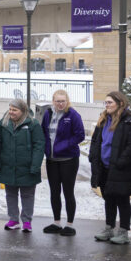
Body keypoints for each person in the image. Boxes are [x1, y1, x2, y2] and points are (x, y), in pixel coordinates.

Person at [89, 91, 131, 245]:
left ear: (120, 103)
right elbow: (95, 141)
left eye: (110, 102)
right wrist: (93, 156)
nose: (107, 105)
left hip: (121, 168)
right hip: (104, 167)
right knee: (108, 199)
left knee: (122, 200)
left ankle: (123, 232)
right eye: (105, 103)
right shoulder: (104, 119)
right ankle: (109, 228)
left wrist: (120, 162)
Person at [0, 99, 43, 232]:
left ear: (23, 111)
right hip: (8, 166)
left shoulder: (33, 124)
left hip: (27, 166)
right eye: (10, 109)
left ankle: (27, 221)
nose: (11, 112)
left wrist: (35, 165)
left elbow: (39, 146)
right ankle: (13, 219)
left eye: (14, 110)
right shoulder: (4, 123)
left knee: (27, 195)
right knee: (11, 194)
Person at [40, 90, 86, 236]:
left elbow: (80, 135)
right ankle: (56, 222)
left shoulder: (73, 115)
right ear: (53, 101)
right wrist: (46, 149)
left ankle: (70, 224)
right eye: (57, 101)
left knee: (68, 192)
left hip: (68, 160)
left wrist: (64, 145)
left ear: (67, 101)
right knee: (54, 192)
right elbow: (43, 133)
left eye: (63, 101)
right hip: (52, 160)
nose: (60, 104)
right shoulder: (48, 114)